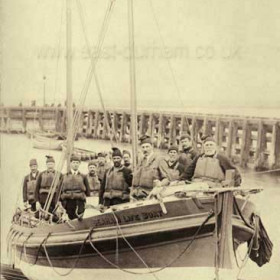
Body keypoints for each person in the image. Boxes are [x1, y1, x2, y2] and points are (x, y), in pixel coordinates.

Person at [131, 135, 166, 199]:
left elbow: (167, 179)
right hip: (136, 197)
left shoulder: (159, 159)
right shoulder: (140, 161)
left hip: (150, 197)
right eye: (143, 147)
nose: (145, 149)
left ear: (152, 147)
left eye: (147, 147)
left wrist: (160, 184)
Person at [59, 155, 91, 220]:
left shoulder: (83, 176)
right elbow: (59, 190)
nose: (75, 164)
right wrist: (59, 202)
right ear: (70, 163)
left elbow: (88, 192)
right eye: (74, 162)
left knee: (80, 220)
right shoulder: (64, 176)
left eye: (77, 163)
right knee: (69, 220)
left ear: (79, 164)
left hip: (80, 202)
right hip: (68, 202)